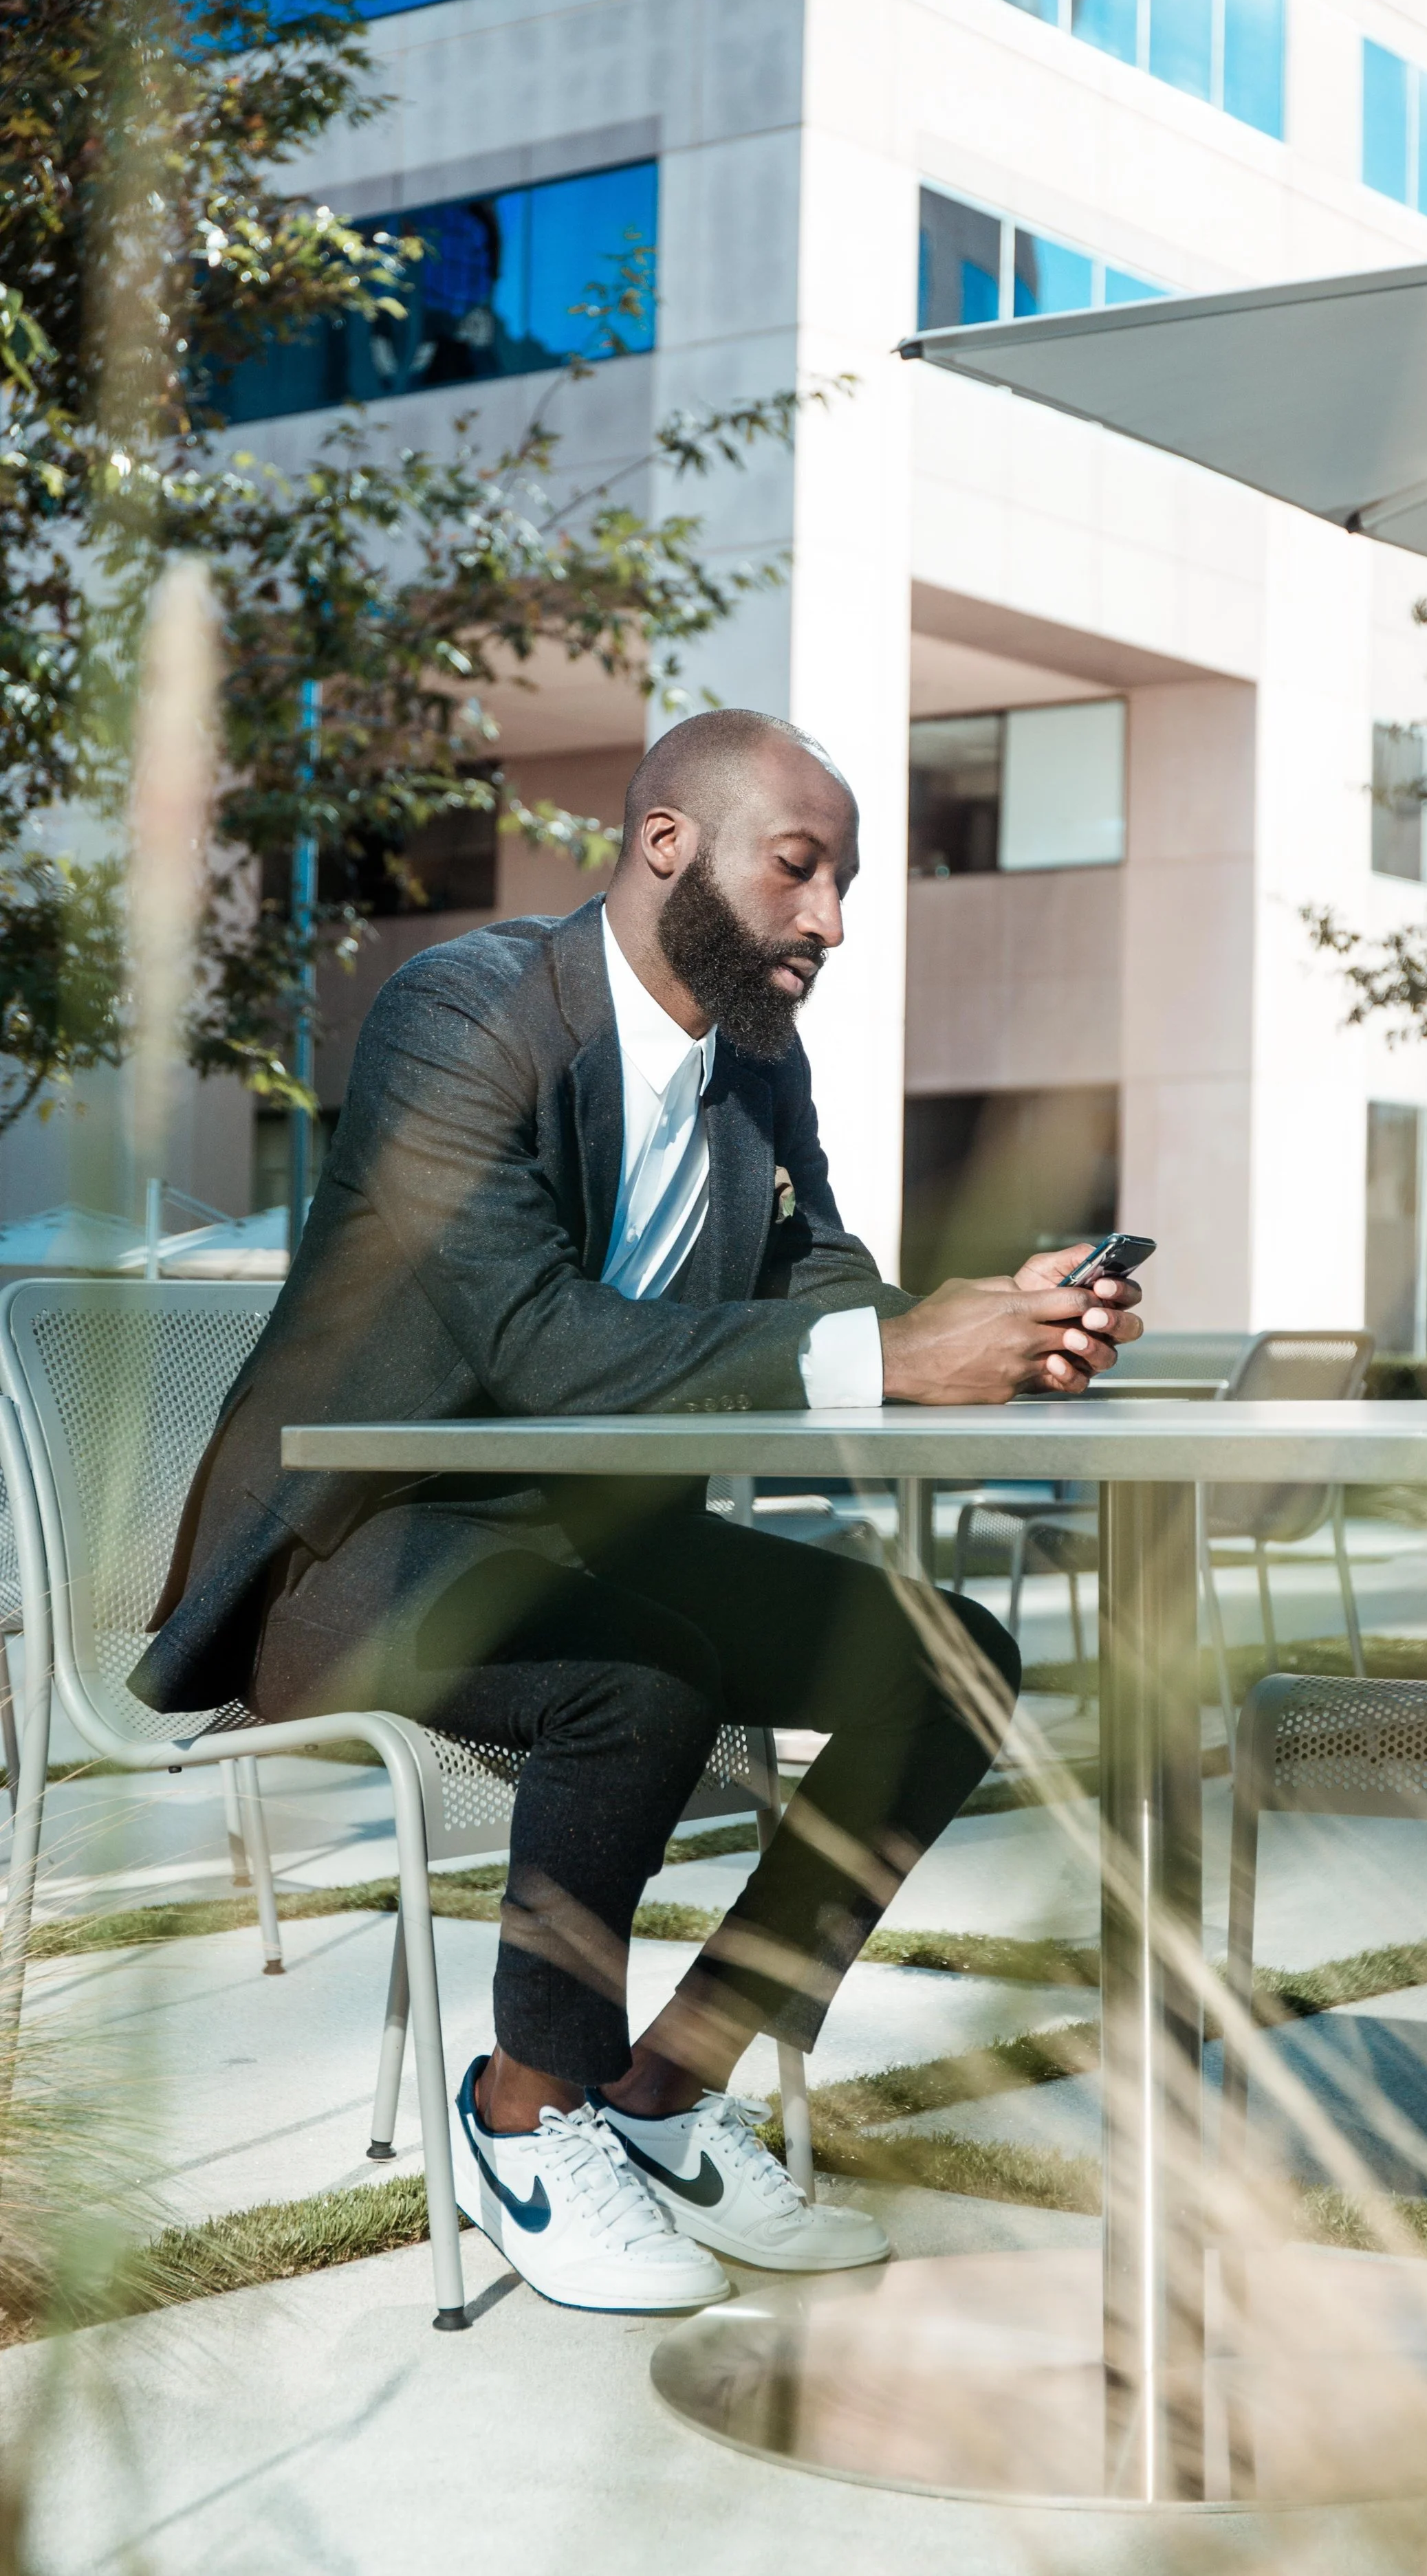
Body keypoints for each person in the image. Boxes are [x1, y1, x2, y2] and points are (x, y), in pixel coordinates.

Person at [133, 709, 1142, 2315]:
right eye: (799, 870)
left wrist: (981, 1326)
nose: (830, 920)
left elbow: (812, 1286)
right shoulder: (460, 1016)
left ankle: (664, 2096)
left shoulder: (758, 1055)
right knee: (640, 1679)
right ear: (666, 844)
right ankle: (523, 2113)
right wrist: (887, 1352)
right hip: (356, 1546)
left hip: (587, 1541)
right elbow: (529, 1344)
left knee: (951, 1658)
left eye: (847, 883)